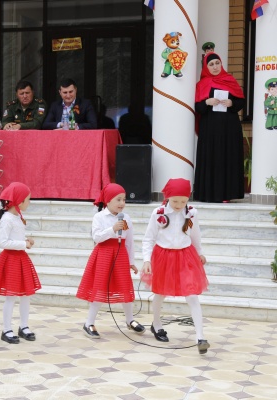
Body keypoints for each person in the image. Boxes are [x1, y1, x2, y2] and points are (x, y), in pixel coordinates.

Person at [141, 178, 210, 355]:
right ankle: (156, 324)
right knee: (160, 292)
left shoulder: (192, 213)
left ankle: (200, 337)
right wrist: (147, 260)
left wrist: (200, 252)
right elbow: (148, 238)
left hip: (186, 255)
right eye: (175, 201)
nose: (179, 205)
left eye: (183, 201)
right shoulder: (158, 213)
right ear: (168, 197)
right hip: (163, 256)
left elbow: (195, 235)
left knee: (192, 295)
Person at [76, 184, 144, 339]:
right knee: (100, 287)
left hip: (120, 255)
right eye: (118, 199)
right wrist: (112, 229)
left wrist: (131, 261)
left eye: (124, 199)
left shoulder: (126, 218)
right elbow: (97, 237)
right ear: (108, 200)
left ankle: (130, 320)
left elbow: (129, 241)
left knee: (125, 287)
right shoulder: (99, 217)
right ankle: (89, 323)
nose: (122, 203)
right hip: (103, 255)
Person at [0, 182, 41, 344]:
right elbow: (3, 242)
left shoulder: (18, 216)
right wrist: (23, 244)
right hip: (10, 259)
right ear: (19, 201)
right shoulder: (6, 219)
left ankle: (23, 326)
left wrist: (26, 241)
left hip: (21, 258)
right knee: (11, 296)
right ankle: (6, 329)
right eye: (28, 199)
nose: (29, 202)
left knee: (26, 295)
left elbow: (15, 237)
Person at [194, 52, 245, 203]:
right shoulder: (202, 84)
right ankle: (208, 194)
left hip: (230, 129)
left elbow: (241, 102)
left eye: (217, 63)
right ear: (206, 67)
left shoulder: (229, 80)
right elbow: (198, 108)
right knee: (211, 158)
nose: (215, 67)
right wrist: (207, 102)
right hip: (210, 129)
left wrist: (232, 103)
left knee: (228, 157)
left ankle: (227, 194)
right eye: (211, 64)